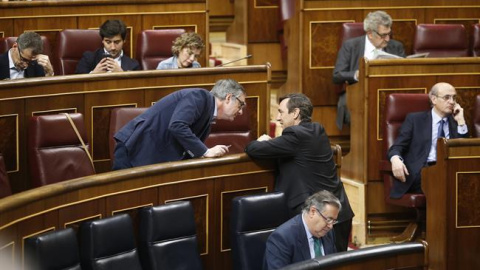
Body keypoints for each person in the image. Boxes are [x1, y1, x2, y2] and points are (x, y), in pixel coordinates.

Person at [245, 93, 354, 252]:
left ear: (295, 113)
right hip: (340, 213)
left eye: (281, 112)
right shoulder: (317, 130)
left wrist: (260, 141)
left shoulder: (295, 135)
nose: (278, 118)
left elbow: (253, 149)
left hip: (320, 218)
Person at [113, 79, 246, 169]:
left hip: (151, 157)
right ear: (228, 98)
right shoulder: (200, 96)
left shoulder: (209, 112)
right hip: (135, 149)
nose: (240, 111)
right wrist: (206, 151)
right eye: (240, 105)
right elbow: (177, 125)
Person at [388, 82, 469, 198]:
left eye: (454, 98)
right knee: (443, 182)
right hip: (422, 171)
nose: (452, 102)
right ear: (434, 99)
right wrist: (395, 159)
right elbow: (397, 147)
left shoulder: (456, 122)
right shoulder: (415, 120)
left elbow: (465, 152)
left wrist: (461, 121)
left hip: (450, 171)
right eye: (447, 97)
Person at [332, 10, 405, 130]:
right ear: (370, 34)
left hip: (390, 91)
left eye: (389, 34)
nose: (387, 39)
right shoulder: (351, 46)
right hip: (358, 92)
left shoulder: (396, 46)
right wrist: (356, 74)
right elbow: (337, 75)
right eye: (383, 35)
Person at [263, 190, 341, 270]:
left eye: (333, 221)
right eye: (328, 220)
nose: (330, 226)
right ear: (313, 212)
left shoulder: (328, 233)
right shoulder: (282, 238)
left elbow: (334, 265)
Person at [75, 19, 140, 74]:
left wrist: (122, 74)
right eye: (108, 42)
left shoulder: (133, 65)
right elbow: (75, 85)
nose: (113, 47)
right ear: (102, 41)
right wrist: (93, 74)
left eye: (117, 42)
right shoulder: (88, 59)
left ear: (124, 41)